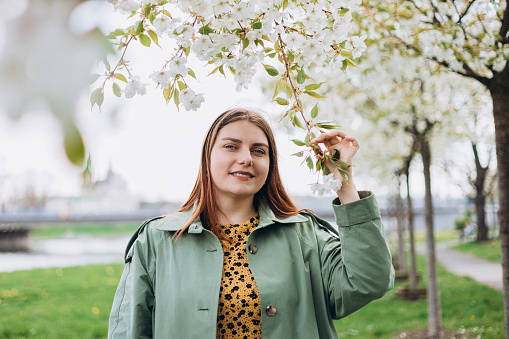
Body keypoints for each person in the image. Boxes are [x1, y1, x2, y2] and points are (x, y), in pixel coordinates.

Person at [108, 108, 394, 339]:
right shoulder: (157, 240)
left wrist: (343, 182)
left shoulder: (304, 233)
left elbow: (369, 282)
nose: (246, 158)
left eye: (259, 151)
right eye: (231, 146)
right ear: (208, 157)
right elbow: (127, 330)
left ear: (270, 164)